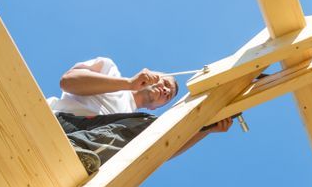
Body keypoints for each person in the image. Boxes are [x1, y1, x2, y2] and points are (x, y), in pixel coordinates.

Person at [48, 57, 232, 174]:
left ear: (156, 107)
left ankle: (82, 156)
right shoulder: (109, 69)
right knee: (148, 126)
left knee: (153, 130)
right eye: (165, 82)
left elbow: (162, 149)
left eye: (168, 95)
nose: (166, 89)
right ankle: (75, 149)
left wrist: (205, 130)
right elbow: (68, 82)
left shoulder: (136, 126)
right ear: (152, 74)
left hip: (92, 152)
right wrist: (129, 84)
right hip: (62, 125)